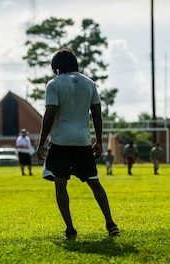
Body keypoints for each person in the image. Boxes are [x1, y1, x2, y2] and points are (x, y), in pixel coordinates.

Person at [36, 48, 119, 239]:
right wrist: (98, 140)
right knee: (95, 183)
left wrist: (41, 144)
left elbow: (49, 115)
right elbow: (97, 114)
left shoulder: (54, 84)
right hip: (82, 141)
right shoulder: (89, 83)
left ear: (55, 66)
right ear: (75, 63)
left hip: (60, 141)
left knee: (61, 185)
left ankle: (70, 229)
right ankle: (110, 223)